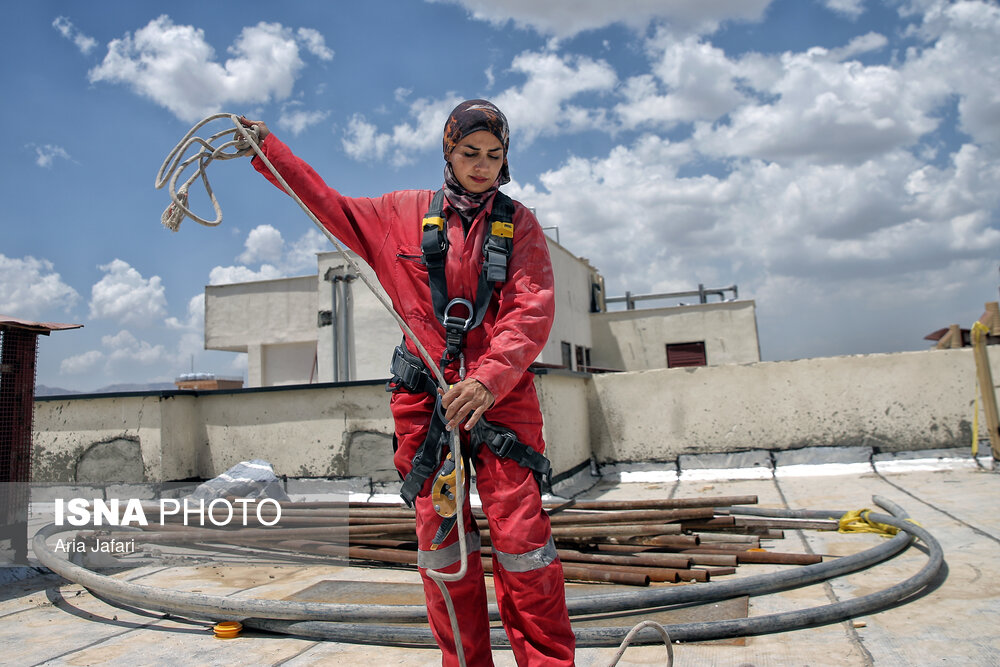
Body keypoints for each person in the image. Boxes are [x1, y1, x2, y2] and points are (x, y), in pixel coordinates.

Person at [241, 100, 576, 666]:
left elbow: (531, 309)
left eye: (494, 156)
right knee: (444, 553)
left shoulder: (519, 226)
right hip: (427, 407)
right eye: (470, 153)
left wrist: (489, 379)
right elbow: (327, 204)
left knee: (524, 547)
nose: (482, 165)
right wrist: (267, 149)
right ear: (448, 151)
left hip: (501, 406)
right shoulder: (399, 214)